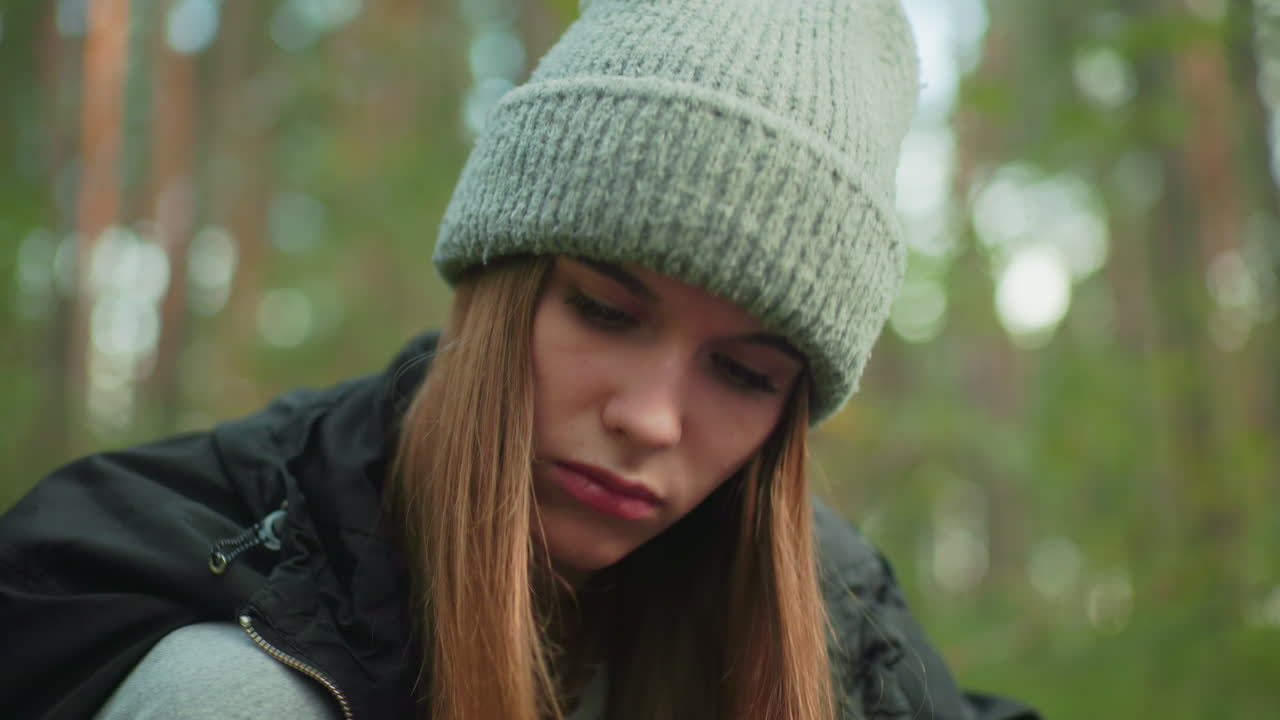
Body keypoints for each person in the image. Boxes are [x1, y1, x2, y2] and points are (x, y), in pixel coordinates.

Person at [0, 0, 1040, 718]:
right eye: (602, 309)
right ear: (494, 294)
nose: (649, 417)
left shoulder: (828, 625)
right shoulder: (228, 674)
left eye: (743, 374)